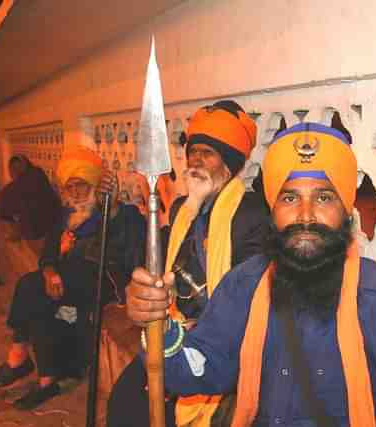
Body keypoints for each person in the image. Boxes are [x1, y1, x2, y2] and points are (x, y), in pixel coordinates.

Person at [120, 123, 376, 426]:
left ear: (345, 212)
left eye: (323, 197)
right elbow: (198, 367)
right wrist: (158, 328)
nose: (304, 215)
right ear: (273, 210)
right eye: (289, 197)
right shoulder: (245, 285)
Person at [107, 100, 269, 427]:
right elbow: (154, 266)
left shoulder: (253, 214)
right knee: (124, 400)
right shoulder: (183, 208)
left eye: (207, 153)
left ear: (229, 163)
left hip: (223, 342)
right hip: (171, 327)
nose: (195, 160)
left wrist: (196, 331)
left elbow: (248, 298)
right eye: (192, 152)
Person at [0, 146, 146, 410]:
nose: (76, 193)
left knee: (28, 286)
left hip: (101, 283)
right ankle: (47, 380)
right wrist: (50, 270)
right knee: (39, 299)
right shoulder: (65, 217)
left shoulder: (121, 215)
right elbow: (46, 255)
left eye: (82, 185)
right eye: (70, 187)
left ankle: (18, 358)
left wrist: (110, 211)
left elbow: (133, 253)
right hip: (65, 281)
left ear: (94, 184)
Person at [0, 155, 61, 288]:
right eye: (12, 169)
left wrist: (17, 227)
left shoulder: (32, 178)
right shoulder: (30, 178)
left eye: (16, 168)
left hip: (42, 230)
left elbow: (3, 206)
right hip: (43, 228)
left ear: (24, 167)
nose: (14, 172)